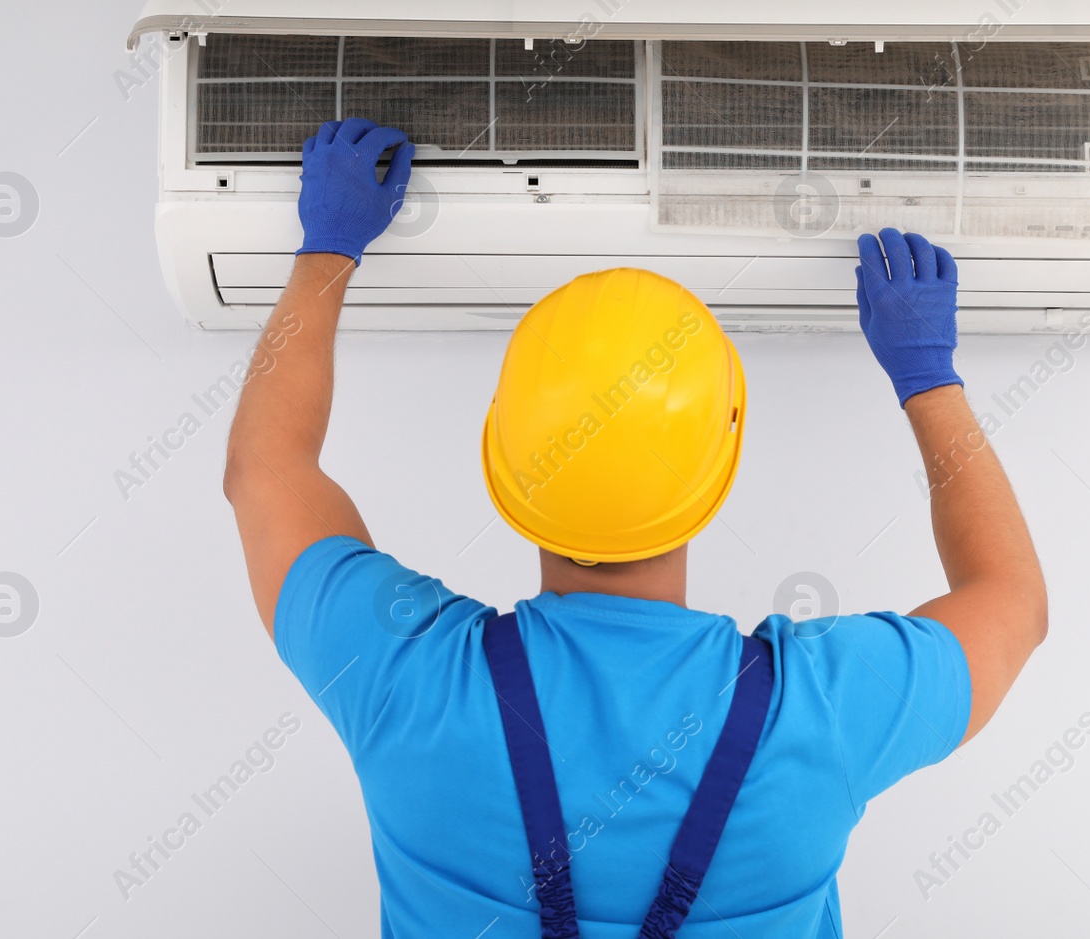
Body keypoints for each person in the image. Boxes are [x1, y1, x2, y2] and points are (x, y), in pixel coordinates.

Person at [223, 118, 1047, 938]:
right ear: (716, 479)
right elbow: (1010, 601)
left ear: (502, 469)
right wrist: (927, 374)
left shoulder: (406, 677)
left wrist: (327, 249)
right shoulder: (820, 712)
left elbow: (265, 472)